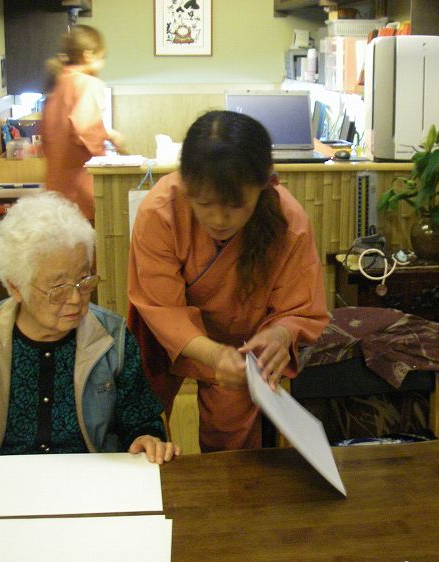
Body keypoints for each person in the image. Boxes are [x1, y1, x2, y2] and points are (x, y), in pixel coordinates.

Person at [0, 193, 179, 464]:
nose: (76, 299)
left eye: (83, 280)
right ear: (16, 287)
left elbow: (141, 419)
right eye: (58, 288)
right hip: (1, 484)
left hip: (92, 481)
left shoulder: (113, 337)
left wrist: (145, 438)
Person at [127, 110, 329, 452]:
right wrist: (212, 354)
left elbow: (299, 305)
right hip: (167, 338)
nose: (219, 219)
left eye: (237, 205)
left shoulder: (288, 221)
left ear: (263, 184)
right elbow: (161, 308)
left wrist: (280, 334)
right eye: (204, 203)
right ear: (186, 183)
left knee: (231, 445)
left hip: (241, 346)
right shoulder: (160, 211)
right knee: (144, 423)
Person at [41, 24, 125, 222]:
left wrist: (106, 134)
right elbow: (85, 129)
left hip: (55, 188)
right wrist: (110, 140)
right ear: (89, 55)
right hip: (80, 189)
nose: (103, 64)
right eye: (102, 57)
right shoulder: (88, 84)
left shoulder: (58, 83)